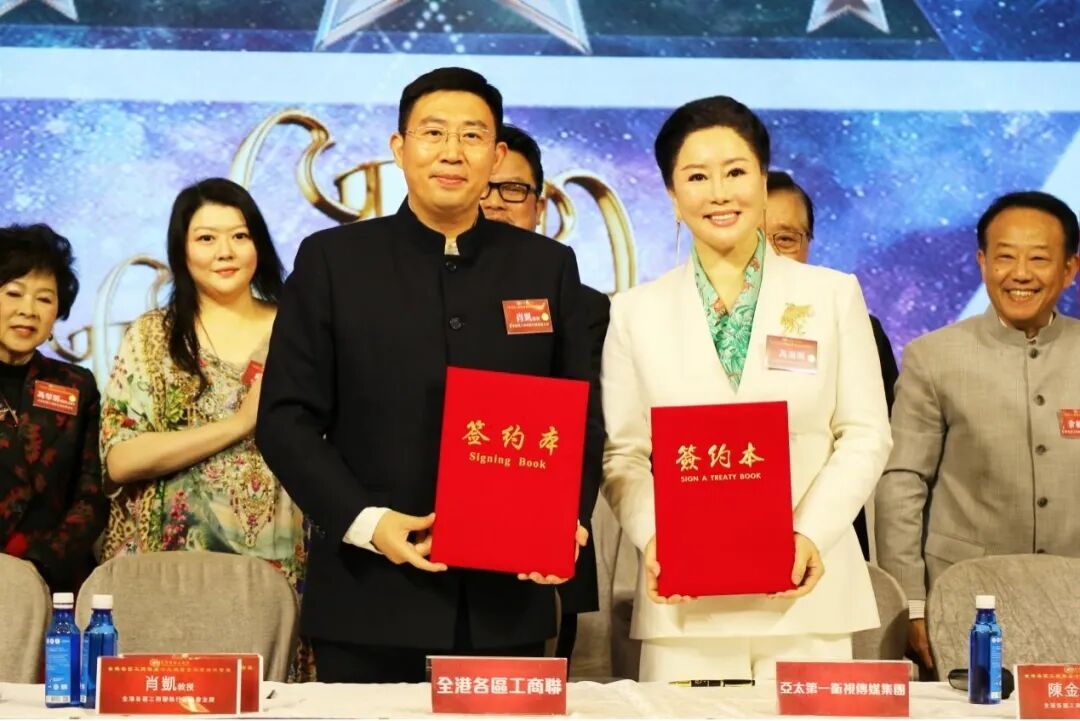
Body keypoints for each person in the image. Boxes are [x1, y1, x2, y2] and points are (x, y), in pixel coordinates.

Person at [255, 67, 604, 683]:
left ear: (495, 154)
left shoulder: (545, 267)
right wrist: (367, 522)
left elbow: (580, 416)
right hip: (368, 600)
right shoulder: (334, 261)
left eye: (472, 136)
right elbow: (286, 421)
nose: (452, 152)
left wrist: (560, 526)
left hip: (506, 604)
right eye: (433, 132)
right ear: (399, 147)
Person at [601, 96, 892, 681]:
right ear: (672, 195)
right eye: (696, 177)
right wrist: (656, 538)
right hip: (685, 603)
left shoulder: (832, 295)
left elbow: (866, 434)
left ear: (762, 181)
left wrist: (810, 533)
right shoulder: (634, 312)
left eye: (735, 172)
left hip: (807, 595)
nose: (719, 193)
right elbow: (624, 455)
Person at [99, 178, 313, 679]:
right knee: (169, 691)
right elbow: (121, 459)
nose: (225, 252)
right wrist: (240, 423)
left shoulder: (299, 329)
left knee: (273, 696)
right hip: (168, 568)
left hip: (281, 562)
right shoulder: (151, 336)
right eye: (206, 238)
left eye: (240, 236)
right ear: (181, 249)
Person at [875, 190, 1080, 675]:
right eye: (1005, 257)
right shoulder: (934, 357)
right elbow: (902, 483)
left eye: (1039, 258)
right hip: (966, 603)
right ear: (983, 263)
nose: (1021, 273)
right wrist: (914, 604)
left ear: (1069, 269)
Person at [480, 124, 609, 663]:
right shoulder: (411, 294)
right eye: (483, 188)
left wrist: (561, 524)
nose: (494, 203)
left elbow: (586, 423)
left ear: (539, 205)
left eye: (513, 189)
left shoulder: (582, 303)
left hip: (537, 548)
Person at [765, 170, 900, 559]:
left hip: (826, 543)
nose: (769, 255)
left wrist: (812, 528)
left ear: (808, 243)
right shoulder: (686, 320)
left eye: (785, 239)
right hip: (717, 537)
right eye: (754, 238)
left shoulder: (851, 324)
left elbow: (873, 438)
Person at [0, 224, 106, 593]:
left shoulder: (76, 385)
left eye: (44, 299)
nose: (28, 310)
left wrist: (39, 566)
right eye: (14, 293)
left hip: (52, 582)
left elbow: (91, 494)